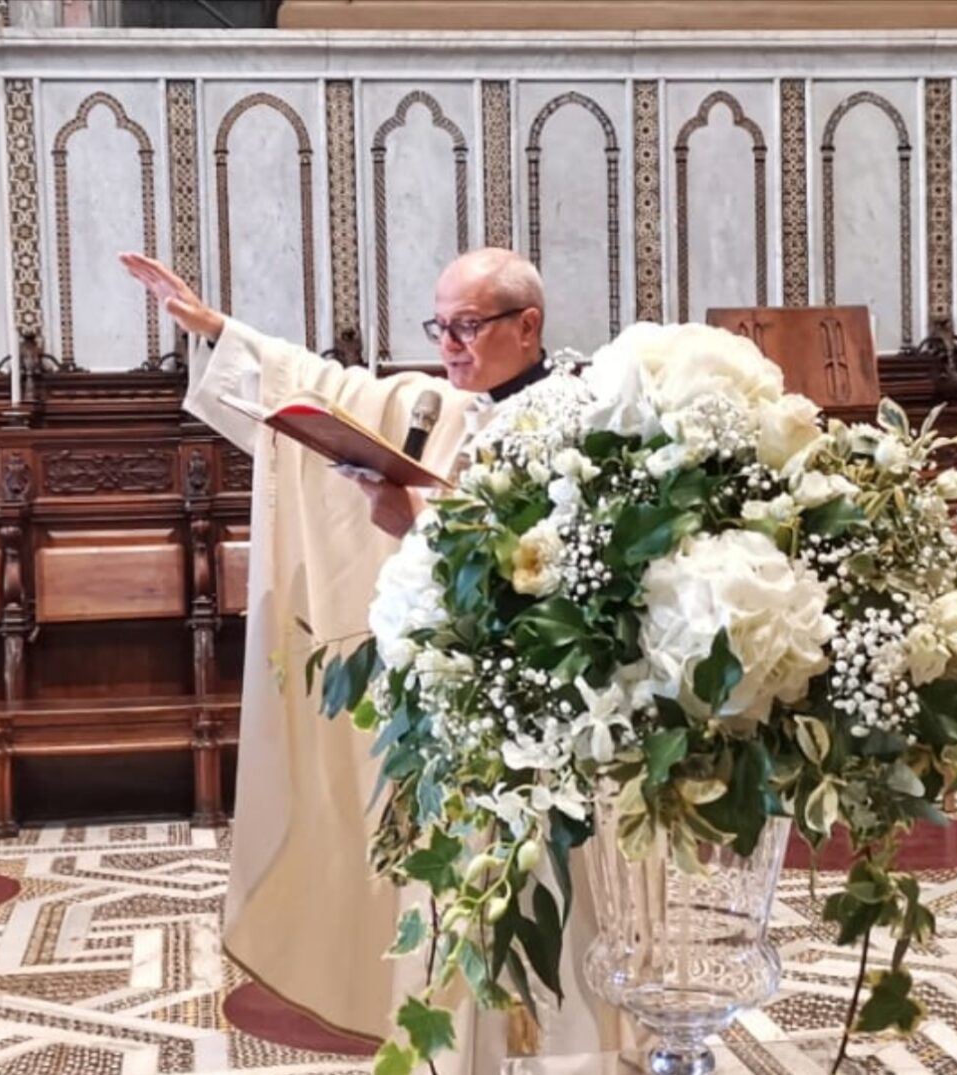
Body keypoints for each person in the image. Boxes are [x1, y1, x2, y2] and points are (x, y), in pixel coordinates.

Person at [120, 248, 625, 1066]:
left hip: (544, 726)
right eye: (440, 326)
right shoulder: (449, 407)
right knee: (448, 891)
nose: (449, 346)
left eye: (467, 326)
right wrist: (218, 330)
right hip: (457, 718)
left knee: (540, 905)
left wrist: (413, 522)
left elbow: (557, 575)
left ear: (527, 325)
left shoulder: (581, 420)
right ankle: (459, 1052)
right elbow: (327, 390)